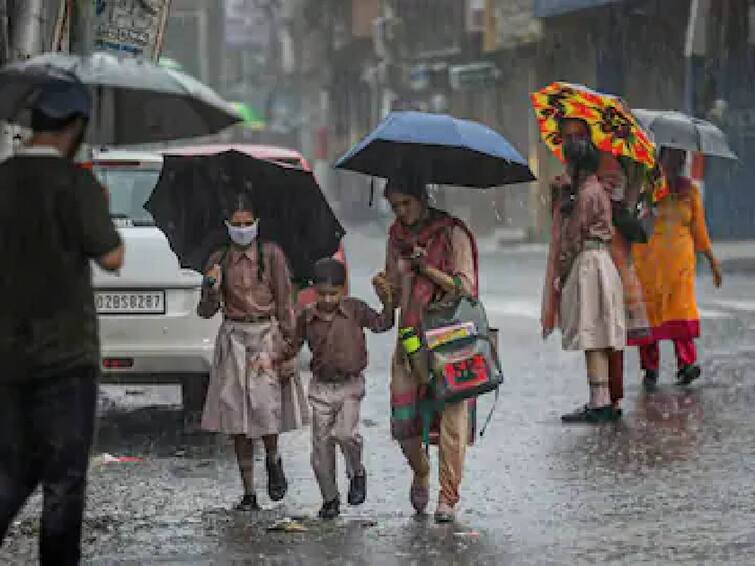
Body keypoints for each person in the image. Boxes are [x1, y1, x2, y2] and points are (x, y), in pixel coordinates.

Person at [0, 82, 124, 565]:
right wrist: (99, 210)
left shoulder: (4, 179)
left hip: (7, 354)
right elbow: (112, 257)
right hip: (66, 356)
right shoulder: (76, 184)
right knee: (64, 479)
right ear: (75, 127)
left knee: (10, 470)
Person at [372, 176, 478, 523]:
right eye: (395, 206)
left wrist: (427, 270)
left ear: (422, 198)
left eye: (407, 204)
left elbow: (465, 289)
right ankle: (420, 471)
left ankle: (448, 496)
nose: (401, 213)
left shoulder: (452, 233)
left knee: (452, 419)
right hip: (410, 336)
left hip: (450, 337)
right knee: (403, 421)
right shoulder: (395, 237)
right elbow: (392, 297)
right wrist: (385, 291)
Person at [197, 196, 307, 511]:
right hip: (233, 338)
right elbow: (205, 312)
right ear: (227, 226)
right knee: (235, 416)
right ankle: (248, 492)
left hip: (265, 337)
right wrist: (211, 288)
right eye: (237, 224)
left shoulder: (271, 255)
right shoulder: (218, 260)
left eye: (248, 223)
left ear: (257, 223)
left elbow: (286, 303)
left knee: (266, 407)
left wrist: (288, 350)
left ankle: (273, 459)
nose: (243, 230)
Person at [542, 118, 650, 414]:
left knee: (592, 334)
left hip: (588, 264)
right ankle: (603, 398)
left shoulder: (586, 194)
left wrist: (561, 274)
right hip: (604, 264)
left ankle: (599, 400)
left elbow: (573, 236)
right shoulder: (596, 189)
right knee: (601, 333)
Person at [279, 258, 394, 519]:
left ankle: (357, 471)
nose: (328, 299)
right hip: (321, 388)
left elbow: (382, 324)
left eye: (333, 294)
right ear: (314, 291)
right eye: (322, 294)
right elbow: (292, 345)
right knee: (321, 447)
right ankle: (329, 498)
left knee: (345, 434)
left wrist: (388, 302)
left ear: (343, 290)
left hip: (350, 385)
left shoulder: (355, 310)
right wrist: (277, 360)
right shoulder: (307, 317)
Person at [632, 147, 722, 389]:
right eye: (671, 157)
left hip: (680, 262)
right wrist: (647, 207)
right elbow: (633, 221)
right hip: (649, 260)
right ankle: (650, 368)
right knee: (651, 311)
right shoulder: (648, 187)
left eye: (681, 157)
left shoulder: (690, 190)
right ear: (660, 160)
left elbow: (699, 230)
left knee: (681, 310)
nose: (677, 162)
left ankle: (686, 364)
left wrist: (712, 261)